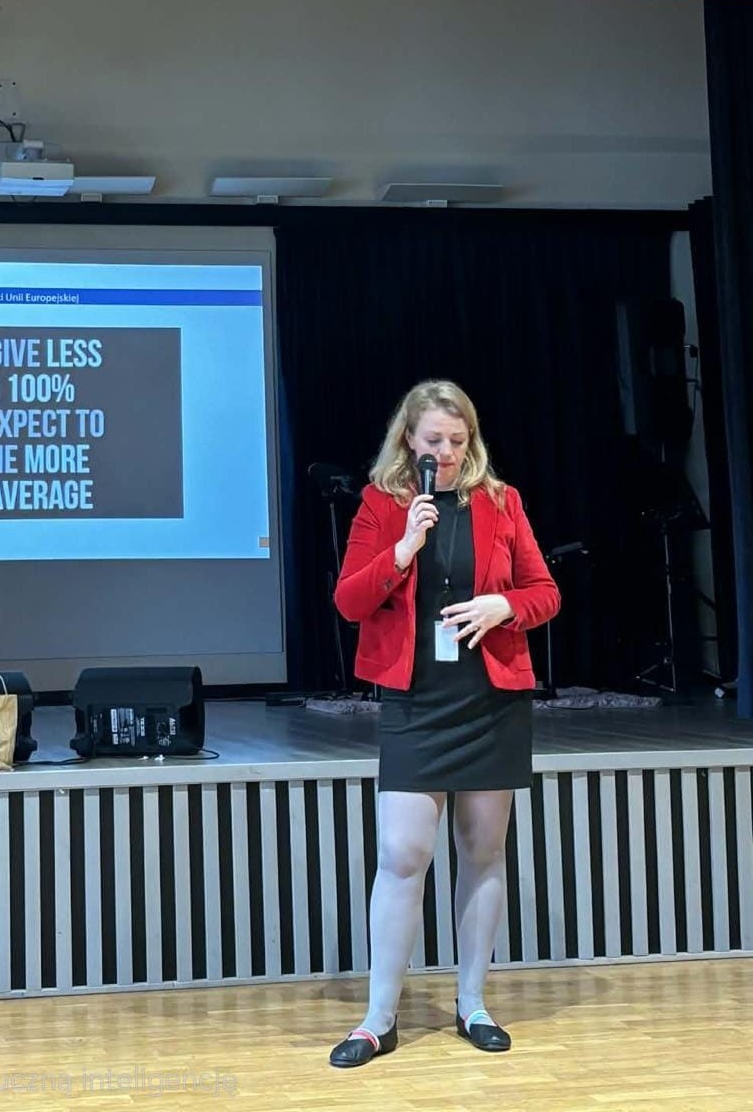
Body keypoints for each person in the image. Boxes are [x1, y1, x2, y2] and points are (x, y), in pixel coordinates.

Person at [327, 380, 560, 1068]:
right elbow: (348, 601)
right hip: (417, 702)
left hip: (489, 700)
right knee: (403, 854)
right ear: (409, 439)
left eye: (459, 441)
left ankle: (473, 1004)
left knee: (483, 852)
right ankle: (378, 1020)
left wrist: (503, 607)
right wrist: (403, 548)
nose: (448, 453)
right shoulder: (381, 503)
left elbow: (545, 592)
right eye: (435, 441)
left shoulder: (502, 501)